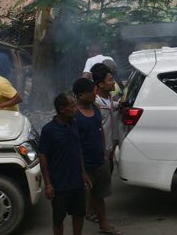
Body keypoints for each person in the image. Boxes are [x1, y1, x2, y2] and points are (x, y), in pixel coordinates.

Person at [73, 78, 121, 235]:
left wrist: (105, 153)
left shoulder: (94, 108)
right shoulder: (74, 115)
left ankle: (103, 224)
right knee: (81, 200)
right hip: (84, 164)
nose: (95, 94)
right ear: (81, 95)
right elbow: (74, 144)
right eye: (91, 92)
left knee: (100, 196)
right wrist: (81, 170)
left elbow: (99, 129)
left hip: (99, 161)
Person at [39, 93, 92, 235]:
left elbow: (78, 148)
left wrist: (83, 172)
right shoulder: (49, 130)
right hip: (60, 183)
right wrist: (48, 184)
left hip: (77, 181)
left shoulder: (74, 124)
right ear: (62, 109)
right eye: (72, 106)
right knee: (58, 219)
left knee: (79, 214)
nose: (76, 108)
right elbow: (42, 156)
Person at [91, 63, 120, 173]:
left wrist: (118, 105)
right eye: (110, 80)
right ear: (101, 84)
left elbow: (111, 106)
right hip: (101, 147)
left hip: (110, 143)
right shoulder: (95, 103)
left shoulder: (109, 95)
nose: (113, 82)